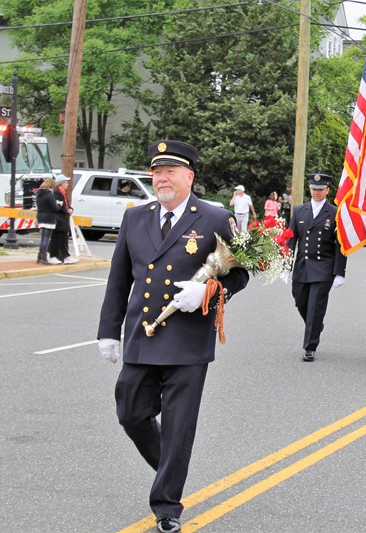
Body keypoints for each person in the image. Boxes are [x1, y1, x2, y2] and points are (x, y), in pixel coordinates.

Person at [97, 140, 249, 533]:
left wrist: (209, 291)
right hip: (142, 337)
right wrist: (107, 333)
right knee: (130, 413)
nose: (162, 179)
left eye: (170, 172)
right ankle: (171, 462)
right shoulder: (136, 217)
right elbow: (118, 281)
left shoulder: (215, 217)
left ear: (189, 177)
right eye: (156, 172)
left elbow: (239, 272)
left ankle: (167, 505)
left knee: (179, 425)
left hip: (187, 342)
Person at [287, 173, 347, 362]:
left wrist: (340, 272)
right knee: (300, 301)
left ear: (327, 190)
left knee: (315, 307)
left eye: (320, 190)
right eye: (314, 189)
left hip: (323, 267)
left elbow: (340, 245)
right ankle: (315, 325)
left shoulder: (335, 212)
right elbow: (291, 239)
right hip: (302, 265)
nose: (317, 192)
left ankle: (310, 346)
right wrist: (285, 266)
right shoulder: (299, 211)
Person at [48, 174, 77, 264]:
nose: (67, 184)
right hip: (59, 219)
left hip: (64, 219)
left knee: (64, 238)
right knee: (56, 238)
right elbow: (58, 206)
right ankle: (53, 256)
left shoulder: (63, 193)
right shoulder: (57, 193)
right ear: (62, 183)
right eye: (66, 182)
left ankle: (66, 256)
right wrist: (67, 210)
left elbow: (66, 204)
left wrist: (71, 209)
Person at [35, 177, 58, 265]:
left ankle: (40, 256)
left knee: (43, 238)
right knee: (46, 238)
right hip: (49, 217)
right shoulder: (49, 194)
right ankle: (44, 257)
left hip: (40, 216)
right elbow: (54, 208)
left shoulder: (39, 194)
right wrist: (59, 205)